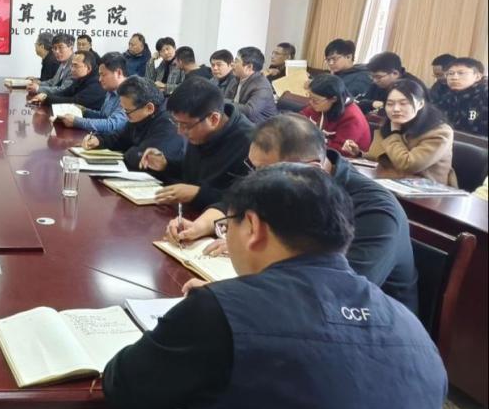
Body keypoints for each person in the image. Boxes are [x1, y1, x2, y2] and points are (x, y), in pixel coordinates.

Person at [59, 164, 446, 409]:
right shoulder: (412, 330)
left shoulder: (220, 309)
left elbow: (125, 391)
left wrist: (196, 324)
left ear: (254, 228)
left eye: (228, 225)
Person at [167, 114, 418, 313]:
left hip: (361, 331)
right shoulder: (289, 181)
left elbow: (337, 292)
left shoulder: (376, 211)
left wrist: (237, 292)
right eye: (253, 169)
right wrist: (205, 226)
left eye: (264, 172)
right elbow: (239, 200)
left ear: (312, 169)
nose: (256, 180)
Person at [141, 77, 253, 209]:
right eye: (177, 123)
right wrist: (166, 164)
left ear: (214, 119)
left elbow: (245, 201)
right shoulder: (200, 129)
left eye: (185, 125)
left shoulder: (250, 143)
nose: (180, 132)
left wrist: (198, 193)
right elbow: (194, 173)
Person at [343, 79, 457, 186]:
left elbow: (408, 165)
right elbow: (380, 157)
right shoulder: (392, 124)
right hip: (390, 183)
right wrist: (359, 154)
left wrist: (394, 134)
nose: (396, 109)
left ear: (420, 104)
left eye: (403, 103)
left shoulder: (440, 132)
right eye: (390, 104)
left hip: (426, 192)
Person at [81, 75, 185, 172]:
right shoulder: (140, 116)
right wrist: (99, 140)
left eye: (127, 111)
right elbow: (120, 138)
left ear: (149, 108)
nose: (125, 115)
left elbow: (144, 158)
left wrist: (129, 152)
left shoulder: (170, 124)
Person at [300, 73, 371, 154]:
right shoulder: (320, 106)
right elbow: (300, 119)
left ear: (333, 99)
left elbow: (340, 150)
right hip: (318, 150)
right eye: (309, 97)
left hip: (343, 158)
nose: (310, 102)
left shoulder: (352, 118)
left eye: (315, 100)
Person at [30, 50, 107, 116]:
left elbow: (74, 102)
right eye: (71, 65)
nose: (72, 69)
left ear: (88, 68)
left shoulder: (97, 83)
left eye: (75, 66)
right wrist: (44, 95)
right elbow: (65, 92)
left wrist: (47, 99)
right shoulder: (81, 77)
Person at [357, 51, 425, 113]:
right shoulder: (377, 83)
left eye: (378, 77)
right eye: (372, 76)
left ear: (395, 73)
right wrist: (372, 103)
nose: (374, 80)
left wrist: (380, 106)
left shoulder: (413, 86)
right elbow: (360, 103)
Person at [438, 57, 487, 136]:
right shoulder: (447, 95)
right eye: (450, 73)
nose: (454, 77)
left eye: (461, 73)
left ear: (477, 77)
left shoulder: (485, 96)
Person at [230, 46, 277, 123]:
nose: (232, 64)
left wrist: (224, 103)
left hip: (261, 126)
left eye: (236, 61)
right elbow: (227, 98)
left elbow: (249, 111)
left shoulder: (261, 86)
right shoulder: (236, 79)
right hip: (240, 120)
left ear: (249, 67)